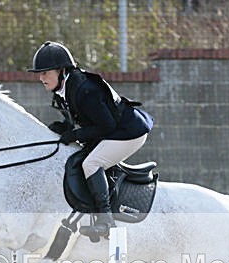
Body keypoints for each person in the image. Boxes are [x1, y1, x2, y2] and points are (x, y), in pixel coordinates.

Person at [28, 41, 154, 237]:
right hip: (114, 130)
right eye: (40, 73)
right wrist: (65, 128)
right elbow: (82, 119)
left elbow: (107, 126)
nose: (41, 78)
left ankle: (105, 221)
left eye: (46, 72)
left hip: (129, 132)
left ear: (61, 70)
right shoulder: (64, 88)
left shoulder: (85, 89)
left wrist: (76, 135)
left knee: (92, 163)